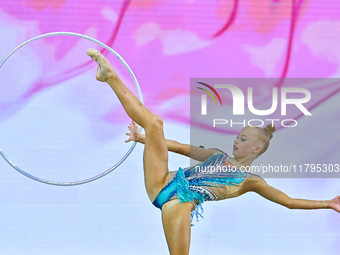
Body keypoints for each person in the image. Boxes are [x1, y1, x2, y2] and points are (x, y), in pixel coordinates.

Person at [86, 49, 340, 255]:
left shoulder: (250, 182)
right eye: (237, 136)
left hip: (180, 204)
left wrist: (327, 203)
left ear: (257, 148)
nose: (236, 141)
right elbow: (177, 147)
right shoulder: (216, 155)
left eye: (242, 138)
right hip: (162, 181)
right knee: (155, 124)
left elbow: (288, 202)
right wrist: (144, 138)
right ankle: (109, 76)